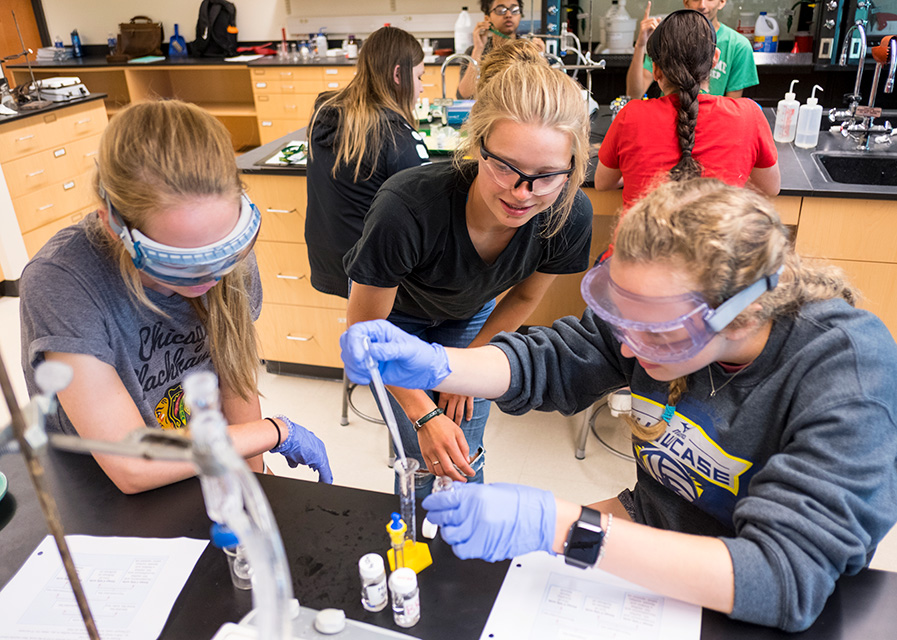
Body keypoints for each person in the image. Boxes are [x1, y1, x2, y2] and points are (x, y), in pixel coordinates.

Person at [341, 178, 897, 632]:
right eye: (621, 319)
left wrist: (556, 524)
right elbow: (560, 357)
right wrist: (439, 363)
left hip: (745, 587)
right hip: (653, 526)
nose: (628, 347)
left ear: (743, 315)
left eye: (653, 332)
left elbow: (785, 578)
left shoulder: (846, 372)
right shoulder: (658, 317)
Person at [19, 100, 332, 494]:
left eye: (224, 253)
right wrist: (274, 432)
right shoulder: (62, 282)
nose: (213, 276)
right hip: (100, 495)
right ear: (114, 227)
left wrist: (259, 483)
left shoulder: (225, 256)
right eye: (181, 263)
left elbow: (234, 379)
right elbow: (131, 464)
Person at [343, 43, 593, 496]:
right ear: (477, 145)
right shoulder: (409, 206)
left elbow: (522, 298)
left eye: (548, 176)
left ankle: (464, 545)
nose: (522, 193)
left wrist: (469, 366)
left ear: (572, 167)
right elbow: (366, 326)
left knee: (465, 446)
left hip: (468, 314)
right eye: (504, 167)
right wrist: (424, 413)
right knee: (423, 452)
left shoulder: (569, 214)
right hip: (394, 321)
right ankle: (418, 545)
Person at [595, 9, 779, 209]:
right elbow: (771, 188)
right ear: (715, 58)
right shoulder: (749, 115)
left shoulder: (630, 115)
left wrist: (635, 175)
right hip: (718, 240)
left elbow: (603, 183)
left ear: (655, 69)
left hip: (639, 239)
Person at [305, 26, 430, 299]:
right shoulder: (397, 138)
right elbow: (425, 214)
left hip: (330, 263)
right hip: (372, 274)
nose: (420, 88)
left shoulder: (324, 114)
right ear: (398, 74)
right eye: (419, 77)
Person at [627, 0, 757, 100]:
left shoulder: (739, 46)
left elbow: (730, 108)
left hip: (712, 126)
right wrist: (640, 44)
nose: (702, 5)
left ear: (722, 1)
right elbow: (634, 94)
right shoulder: (668, 38)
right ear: (685, 2)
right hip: (667, 123)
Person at [456, 1, 544, 100]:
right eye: (500, 10)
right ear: (487, 18)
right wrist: (478, 49)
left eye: (514, 10)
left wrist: (540, 57)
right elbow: (464, 95)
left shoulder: (527, 50)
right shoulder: (475, 51)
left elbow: (541, 93)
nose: (508, 15)